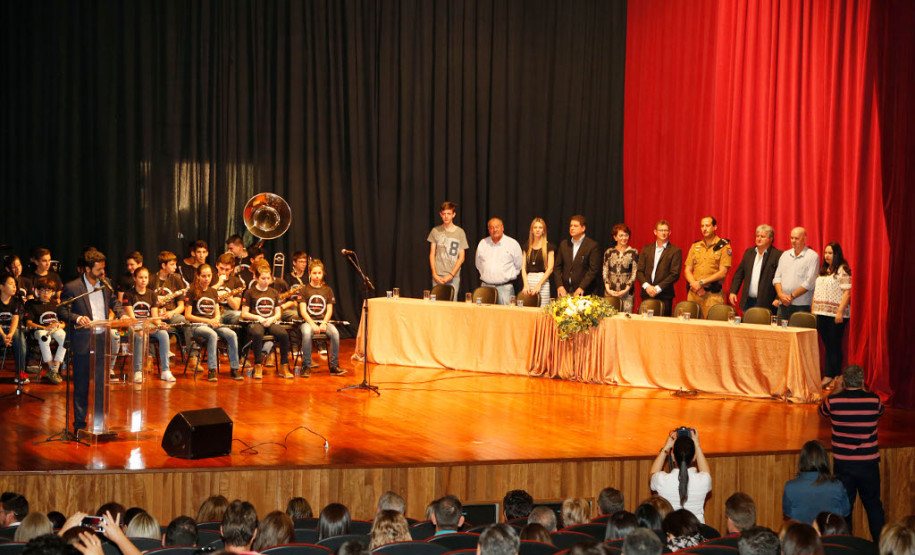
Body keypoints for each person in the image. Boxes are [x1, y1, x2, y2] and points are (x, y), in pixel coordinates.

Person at [57, 250, 128, 433]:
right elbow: (62, 311)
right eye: (98, 270)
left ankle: (100, 424)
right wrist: (77, 318)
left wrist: (123, 314)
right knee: (81, 385)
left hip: (102, 339)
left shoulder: (106, 284)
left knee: (102, 384)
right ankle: (79, 426)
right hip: (83, 340)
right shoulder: (73, 287)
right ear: (87, 269)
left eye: (103, 269)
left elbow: (114, 302)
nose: (102, 273)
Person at [818, 364, 885, 541]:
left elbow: (822, 411)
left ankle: (846, 545)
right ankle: (883, 546)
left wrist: (836, 390)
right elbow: (880, 412)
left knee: (844, 508)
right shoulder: (874, 400)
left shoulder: (834, 402)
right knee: (873, 506)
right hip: (868, 464)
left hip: (844, 464)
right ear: (863, 380)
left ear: (844, 381)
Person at [183, 264, 241, 382]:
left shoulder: (213, 291)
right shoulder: (191, 291)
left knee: (231, 334)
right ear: (198, 276)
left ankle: (235, 368)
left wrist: (216, 319)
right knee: (212, 335)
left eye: (209, 276)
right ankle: (212, 369)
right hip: (197, 326)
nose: (207, 279)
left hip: (211, 324)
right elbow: (188, 316)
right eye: (204, 276)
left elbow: (217, 311)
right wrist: (208, 321)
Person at [241, 260, 292, 379]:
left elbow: (278, 313)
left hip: (270, 320)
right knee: (258, 334)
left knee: (283, 334)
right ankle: (258, 364)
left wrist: (272, 318)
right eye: (263, 278)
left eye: (268, 278)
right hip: (256, 321)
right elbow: (244, 313)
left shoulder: (274, 292)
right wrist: (258, 317)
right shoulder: (250, 292)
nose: (266, 281)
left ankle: (284, 365)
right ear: (257, 278)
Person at [123, 267, 174, 383]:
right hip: (134, 326)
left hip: (148, 326)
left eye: (146, 277)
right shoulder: (128, 295)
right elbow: (132, 318)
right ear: (134, 278)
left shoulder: (152, 294)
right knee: (141, 335)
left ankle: (165, 371)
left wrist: (160, 324)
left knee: (164, 334)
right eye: (140, 277)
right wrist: (145, 327)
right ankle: (138, 371)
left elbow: (155, 317)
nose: (143, 280)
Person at [811, 242, 852, 389]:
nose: (827, 256)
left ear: (837, 254)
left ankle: (836, 376)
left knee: (835, 345)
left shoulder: (843, 270)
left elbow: (847, 292)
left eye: (830, 253)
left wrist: (840, 312)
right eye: (826, 253)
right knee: (828, 345)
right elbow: (817, 291)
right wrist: (813, 309)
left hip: (836, 314)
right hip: (821, 312)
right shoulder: (824, 270)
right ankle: (828, 375)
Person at [649, 430, 711, 522]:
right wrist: (697, 445)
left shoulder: (662, 480)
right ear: (695, 457)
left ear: (673, 457)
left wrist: (666, 448)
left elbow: (652, 474)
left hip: (671, 532)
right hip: (698, 533)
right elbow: (706, 473)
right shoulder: (704, 480)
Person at [782, 440, 851, 524]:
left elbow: (787, 513)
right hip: (829, 535)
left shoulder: (790, 487)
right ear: (825, 460)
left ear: (802, 460)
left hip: (802, 535)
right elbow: (845, 511)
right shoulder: (837, 486)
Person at [299, 259, 345, 376]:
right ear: (309, 273)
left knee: (335, 333)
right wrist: (312, 324)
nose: (317, 276)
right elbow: (303, 311)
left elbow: (329, 310)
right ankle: (306, 366)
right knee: (306, 333)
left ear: (323, 273)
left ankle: (334, 365)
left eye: (319, 273)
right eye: (314, 273)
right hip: (309, 322)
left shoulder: (327, 290)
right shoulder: (304, 290)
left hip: (323, 321)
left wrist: (324, 323)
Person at [684, 217, 732, 317]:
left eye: (707, 225)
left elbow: (723, 272)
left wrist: (701, 283)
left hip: (712, 296)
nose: (704, 229)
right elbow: (687, 270)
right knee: (691, 328)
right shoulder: (696, 246)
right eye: (702, 226)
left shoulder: (724, 246)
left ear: (715, 227)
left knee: (711, 329)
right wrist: (696, 286)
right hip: (694, 294)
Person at [729, 225, 782, 313]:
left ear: (771, 238)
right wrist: (733, 291)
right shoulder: (749, 252)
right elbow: (739, 274)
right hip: (748, 301)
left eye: (763, 236)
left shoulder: (777, 255)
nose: (759, 239)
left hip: (768, 303)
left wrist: (778, 298)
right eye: (757, 236)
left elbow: (781, 279)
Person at [23, 277, 66, 384]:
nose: (46, 293)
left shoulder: (55, 304)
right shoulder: (32, 304)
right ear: (37, 291)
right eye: (43, 290)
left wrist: (59, 325)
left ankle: (54, 368)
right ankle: (52, 366)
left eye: (49, 290)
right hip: (40, 329)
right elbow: (28, 323)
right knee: (44, 338)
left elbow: (64, 322)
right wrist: (44, 328)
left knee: (64, 338)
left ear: (52, 292)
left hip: (55, 329)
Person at [636, 220, 682, 316]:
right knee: (646, 324)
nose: (663, 233)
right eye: (661, 230)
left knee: (663, 326)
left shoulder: (675, 251)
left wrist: (657, 288)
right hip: (647, 293)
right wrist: (647, 287)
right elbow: (639, 271)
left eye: (665, 230)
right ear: (655, 232)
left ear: (670, 232)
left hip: (664, 294)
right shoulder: (646, 249)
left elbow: (675, 274)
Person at [773, 227, 819, 322]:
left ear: (805, 239)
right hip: (783, 305)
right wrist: (780, 295)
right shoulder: (785, 255)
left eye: (796, 238)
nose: (793, 241)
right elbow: (777, 278)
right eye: (792, 238)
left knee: (798, 335)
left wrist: (791, 296)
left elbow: (809, 282)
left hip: (801, 305)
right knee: (781, 335)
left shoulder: (812, 256)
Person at [476, 218, 523, 305]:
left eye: (497, 227)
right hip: (485, 288)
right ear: (488, 230)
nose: (494, 230)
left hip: (505, 289)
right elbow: (478, 265)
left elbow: (519, 265)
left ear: (502, 228)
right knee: (484, 317)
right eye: (491, 227)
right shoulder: (483, 243)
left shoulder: (512, 244)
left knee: (505, 317)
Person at [428, 201, 469, 300]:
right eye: (444, 214)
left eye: (449, 214)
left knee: (451, 305)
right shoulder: (435, 231)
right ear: (441, 215)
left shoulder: (460, 232)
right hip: (438, 275)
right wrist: (434, 273)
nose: (446, 216)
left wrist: (451, 275)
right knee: (436, 305)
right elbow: (432, 254)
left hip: (453, 276)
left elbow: (461, 257)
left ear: (453, 215)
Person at [553, 215, 602, 297]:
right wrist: (560, 286)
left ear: (583, 228)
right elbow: (557, 267)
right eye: (571, 226)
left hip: (584, 291)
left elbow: (593, 270)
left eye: (575, 226)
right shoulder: (564, 244)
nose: (572, 228)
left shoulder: (592, 245)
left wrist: (582, 287)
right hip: (565, 291)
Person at [603, 224, 639, 313]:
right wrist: (608, 289)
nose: (624, 238)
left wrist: (625, 290)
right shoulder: (609, 252)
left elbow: (634, 273)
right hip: (610, 292)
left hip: (627, 294)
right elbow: (605, 272)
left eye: (626, 235)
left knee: (625, 320)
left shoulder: (634, 252)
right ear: (615, 237)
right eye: (621, 235)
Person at [0, 272, 28, 384]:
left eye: (15, 284)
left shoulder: (16, 302)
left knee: (19, 339)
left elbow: (15, 319)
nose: (14, 287)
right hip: (0, 330)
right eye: (11, 284)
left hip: (12, 329)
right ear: (1, 287)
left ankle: (20, 372)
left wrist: (10, 335)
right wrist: (3, 335)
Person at [521, 218, 555, 306]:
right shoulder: (526, 246)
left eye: (540, 227)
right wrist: (525, 284)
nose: (537, 229)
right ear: (532, 230)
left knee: (542, 310)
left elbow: (550, 268)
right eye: (535, 227)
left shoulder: (549, 247)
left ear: (544, 230)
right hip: (529, 281)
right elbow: (523, 267)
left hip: (542, 282)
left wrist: (539, 285)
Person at [212, 253, 245, 325]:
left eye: (227, 270)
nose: (223, 272)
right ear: (216, 265)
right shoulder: (210, 278)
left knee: (240, 315)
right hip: (212, 311)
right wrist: (218, 284)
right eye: (221, 268)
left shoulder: (236, 281)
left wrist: (228, 295)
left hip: (229, 312)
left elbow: (236, 307)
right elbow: (204, 297)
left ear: (232, 269)